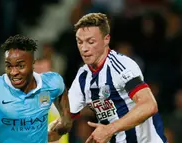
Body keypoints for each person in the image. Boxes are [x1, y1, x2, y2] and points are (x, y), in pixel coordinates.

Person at [68, 13, 167, 143]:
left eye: (91, 42)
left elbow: (149, 105)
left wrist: (110, 129)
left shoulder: (121, 66)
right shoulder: (83, 75)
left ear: (106, 39)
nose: (84, 48)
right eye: (80, 42)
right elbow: (68, 114)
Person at [0, 35, 72, 143]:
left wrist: (65, 121)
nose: (14, 72)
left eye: (20, 66)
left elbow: (61, 91)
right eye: (9, 66)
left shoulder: (52, 82)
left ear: (32, 64)